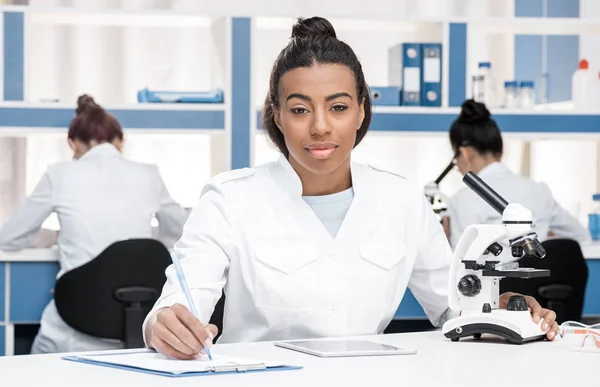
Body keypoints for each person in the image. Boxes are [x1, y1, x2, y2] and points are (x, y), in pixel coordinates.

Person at [143, 17, 558, 360]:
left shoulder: (400, 200)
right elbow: (181, 299)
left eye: (338, 107)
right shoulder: (229, 199)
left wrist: (503, 311)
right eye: (300, 109)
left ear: (361, 110)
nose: (320, 125)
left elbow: (452, 308)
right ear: (277, 116)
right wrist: (164, 324)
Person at [0, 95, 189, 354]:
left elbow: (9, 237)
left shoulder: (59, 174)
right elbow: (180, 233)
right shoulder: (149, 174)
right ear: (120, 142)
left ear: (73, 145)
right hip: (138, 324)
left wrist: (56, 236)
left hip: (74, 328)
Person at [446, 99, 591, 250]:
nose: (457, 165)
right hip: (540, 273)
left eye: (455, 157)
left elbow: (461, 264)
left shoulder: (463, 199)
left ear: (465, 153)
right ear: (501, 150)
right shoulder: (539, 191)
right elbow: (581, 236)